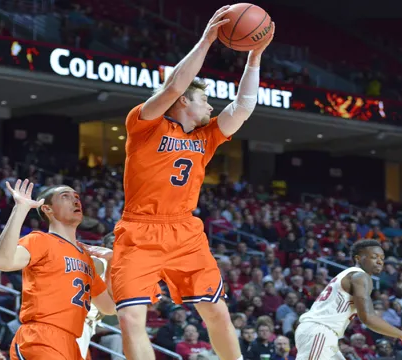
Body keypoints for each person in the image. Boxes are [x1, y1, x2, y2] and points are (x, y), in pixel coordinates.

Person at [110, 6, 275, 360]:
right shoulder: (145, 125)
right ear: (185, 101)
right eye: (203, 99)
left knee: (217, 312)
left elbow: (244, 105)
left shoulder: (207, 135)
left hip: (185, 231)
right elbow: (173, 85)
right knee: (129, 317)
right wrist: (207, 40)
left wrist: (254, 58)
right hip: (140, 230)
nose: (210, 104)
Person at [0, 179, 116, 360]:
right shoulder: (41, 240)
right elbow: (2, 261)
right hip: (41, 336)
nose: (75, 201)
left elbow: (109, 307)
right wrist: (21, 209)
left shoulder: (87, 258)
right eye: (65, 196)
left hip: (71, 341)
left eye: (77, 197)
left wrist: (112, 263)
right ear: (47, 209)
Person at [295, 240, 402, 360]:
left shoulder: (348, 274)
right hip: (320, 330)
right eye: (374, 257)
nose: (379, 261)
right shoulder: (360, 276)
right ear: (358, 258)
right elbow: (368, 318)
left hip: (322, 333)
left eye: (382, 258)